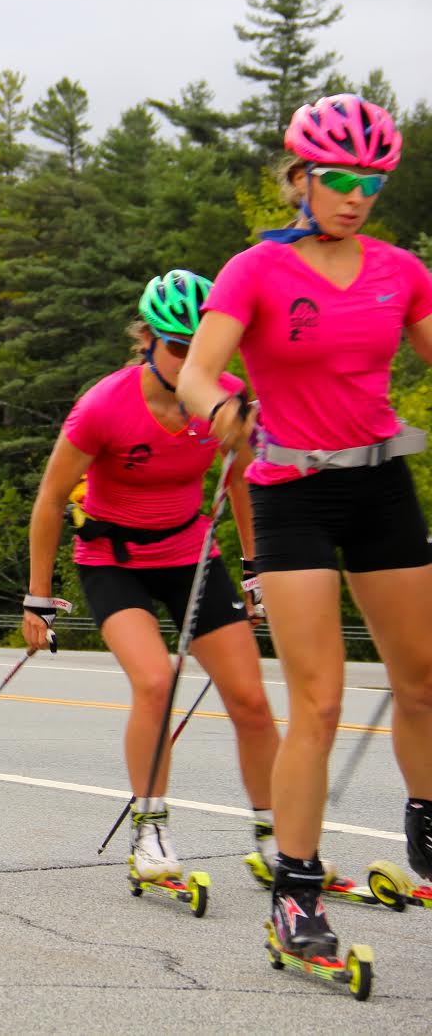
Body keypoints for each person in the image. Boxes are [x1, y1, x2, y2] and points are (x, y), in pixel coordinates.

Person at [178, 94, 432, 960]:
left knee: (423, 679)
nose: (355, 195)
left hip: (382, 482)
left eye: (372, 181)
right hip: (290, 489)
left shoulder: (401, 270)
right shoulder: (256, 270)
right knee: (318, 698)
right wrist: (218, 408)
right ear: (300, 177)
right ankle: (294, 890)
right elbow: (198, 374)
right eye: (338, 178)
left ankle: (426, 833)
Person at [22, 270, 280, 885]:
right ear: (146, 340)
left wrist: (254, 568)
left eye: (205, 346)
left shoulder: (225, 397)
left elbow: (240, 479)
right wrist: (37, 599)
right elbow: (50, 499)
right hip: (115, 563)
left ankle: (277, 840)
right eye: (179, 348)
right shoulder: (104, 406)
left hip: (191, 556)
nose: (194, 360)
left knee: (250, 701)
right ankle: (151, 829)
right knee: (157, 683)